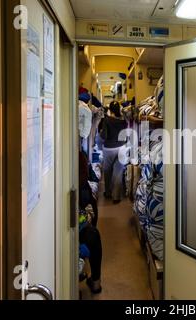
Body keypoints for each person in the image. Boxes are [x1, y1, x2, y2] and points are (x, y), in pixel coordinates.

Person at [79, 151, 102, 294]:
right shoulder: (80, 156)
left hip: (80, 221)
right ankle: (96, 282)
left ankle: (95, 282)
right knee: (93, 235)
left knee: (92, 234)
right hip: (82, 227)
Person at [99, 101, 128, 204]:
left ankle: (108, 193)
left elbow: (104, 136)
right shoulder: (124, 121)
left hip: (109, 148)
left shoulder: (107, 120)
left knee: (107, 171)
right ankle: (116, 197)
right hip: (121, 148)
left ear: (110, 110)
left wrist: (101, 132)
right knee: (118, 172)